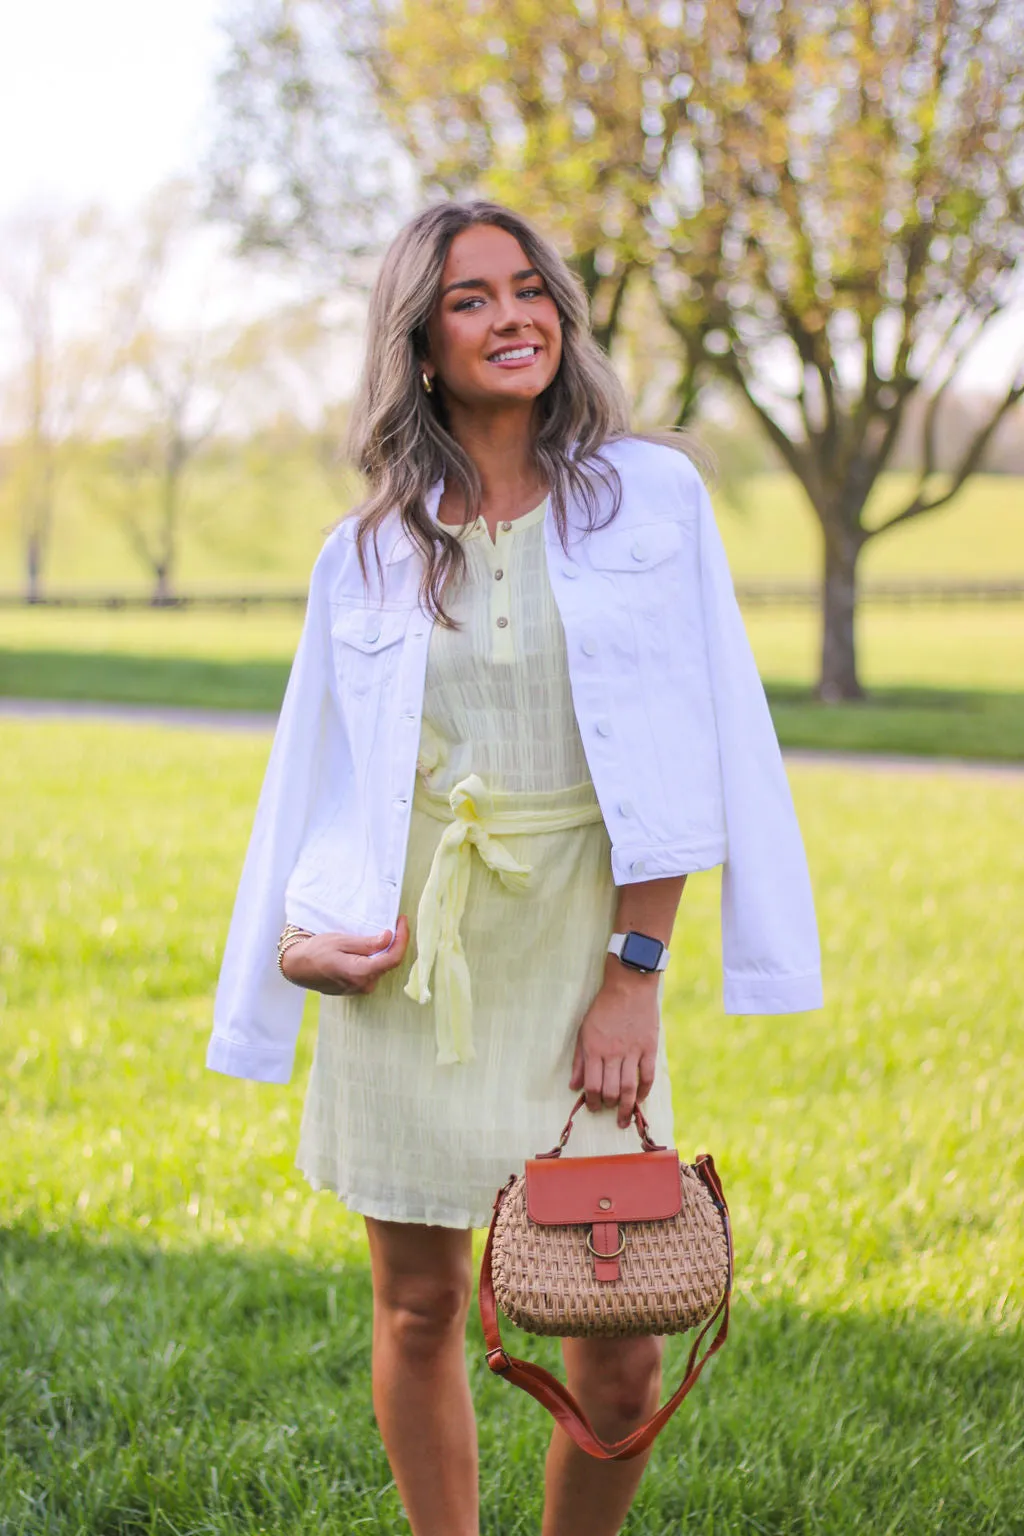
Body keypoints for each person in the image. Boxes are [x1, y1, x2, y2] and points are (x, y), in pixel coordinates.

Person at [207, 199, 822, 1536]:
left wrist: (635, 977)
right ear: (422, 342)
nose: (513, 315)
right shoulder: (363, 553)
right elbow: (317, 781)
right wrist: (305, 941)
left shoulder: (649, 498)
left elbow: (681, 749)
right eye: (473, 297)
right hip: (417, 975)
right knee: (421, 1306)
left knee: (621, 1337)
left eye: (529, 287)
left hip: (585, 957)